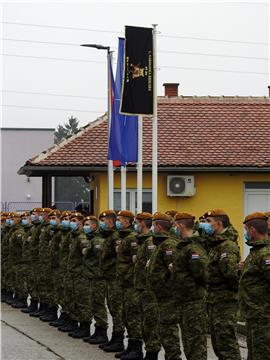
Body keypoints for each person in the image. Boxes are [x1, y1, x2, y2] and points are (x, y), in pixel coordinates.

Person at [205, 209, 241, 360]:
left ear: (218, 223)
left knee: (227, 344)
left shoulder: (227, 246)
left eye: (208, 222)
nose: (205, 225)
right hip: (215, 300)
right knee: (218, 343)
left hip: (225, 301)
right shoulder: (216, 243)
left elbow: (231, 275)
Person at [172, 212, 208, 360]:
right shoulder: (184, 246)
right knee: (188, 342)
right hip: (184, 301)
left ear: (180, 225)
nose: (174, 229)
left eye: (175, 225)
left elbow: (203, 275)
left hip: (193, 302)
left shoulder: (193, 248)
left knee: (195, 344)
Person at [147, 212, 181, 360]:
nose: (152, 228)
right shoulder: (161, 243)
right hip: (160, 295)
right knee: (163, 330)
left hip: (168, 296)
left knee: (169, 332)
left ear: (159, 226)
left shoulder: (168, 244)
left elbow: (174, 270)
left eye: (154, 225)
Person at [239, 212, 270, 360]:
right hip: (254, 315)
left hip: (263, 316)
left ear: (252, 230)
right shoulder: (256, 252)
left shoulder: (265, 254)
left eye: (246, 230)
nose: (245, 233)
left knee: (261, 355)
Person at [115, 210, 143, 360]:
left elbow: (137, 260)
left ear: (127, 221)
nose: (117, 222)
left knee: (133, 315)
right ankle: (131, 346)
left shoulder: (132, 238)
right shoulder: (124, 237)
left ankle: (137, 348)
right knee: (126, 314)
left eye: (119, 219)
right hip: (124, 282)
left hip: (131, 282)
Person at [134, 212, 160, 360]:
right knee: (145, 322)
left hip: (148, 289)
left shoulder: (150, 242)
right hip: (142, 287)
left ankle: (152, 353)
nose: (135, 225)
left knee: (150, 323)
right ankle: (148, 351)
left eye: (137, 222)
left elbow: (152, 265)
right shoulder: (143, 240)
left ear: (143, 223)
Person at [99, 210, 125, 353]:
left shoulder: (116, 236)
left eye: (105, 220)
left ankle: (118, 338)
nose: (104, 223)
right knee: (112, 307)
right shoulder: (110, 235)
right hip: (109, 276)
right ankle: (115, 337)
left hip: (115, 277)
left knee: (116, 309)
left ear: (111, 221)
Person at [82, 215, 108, 345]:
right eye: (86, 224)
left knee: (98, 304)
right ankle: (98, 331)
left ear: (94, 225)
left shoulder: (97, 240)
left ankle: (102, 332)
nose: (87, 226)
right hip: (92, 276)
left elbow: (101, 259)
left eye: (89, 224)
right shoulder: (92, 238)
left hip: (98, 277)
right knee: (94, 304)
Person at [65, 212, 90, 338]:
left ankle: (85, 326)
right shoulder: (74, 236)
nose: (71, 222)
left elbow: (87, 254)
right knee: (73, 299)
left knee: (82, 301)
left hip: (80, 274)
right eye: (70, 220)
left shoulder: (82, 237)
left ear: (80, 222)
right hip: (73, 273)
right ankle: (75, 323)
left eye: (74, 220)